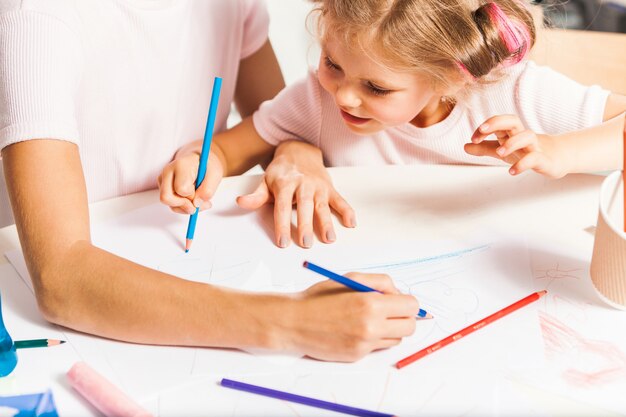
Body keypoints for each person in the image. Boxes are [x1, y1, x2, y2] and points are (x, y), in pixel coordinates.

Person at [0, 0, 420, 362]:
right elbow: (62, 280)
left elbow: (278, 116)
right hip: (76, 305)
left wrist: (296, 150)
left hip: (192, 257)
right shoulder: (35, 19)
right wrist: (291, 322)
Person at [159, 0, 626, 249]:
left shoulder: (514, 93)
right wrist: (198, 160)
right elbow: (227, 150)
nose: (343, 94)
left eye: (376, 88)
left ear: (447, 78)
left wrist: (560, 152)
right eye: (331, 62)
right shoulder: (318, 99)